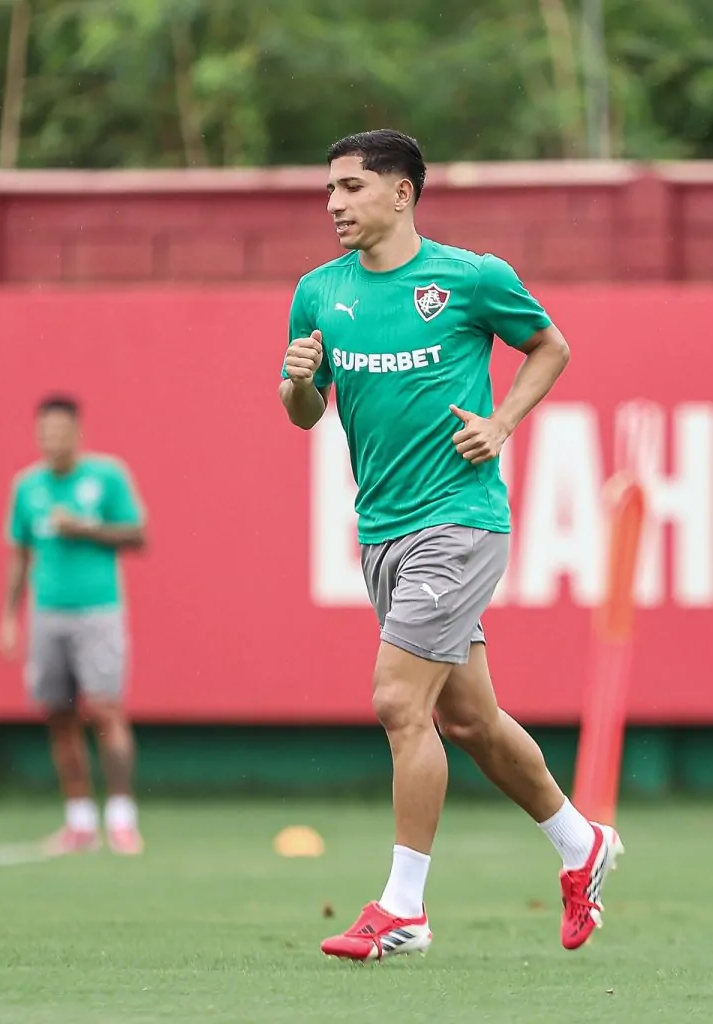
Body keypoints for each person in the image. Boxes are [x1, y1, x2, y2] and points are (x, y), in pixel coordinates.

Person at [278, 129, 622, 961]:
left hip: (459, 523)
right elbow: (305, 413)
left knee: (400, 701)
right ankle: (582, 845)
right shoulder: (319, 293)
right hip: (382, 531)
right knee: (468, 720)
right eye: (330, 191)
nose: (335, 205)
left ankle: (404, 908)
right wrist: (295, 381)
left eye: (352, 188)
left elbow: (551, 346)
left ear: (402, 194)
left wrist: (502, 423)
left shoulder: (471, 279)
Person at [0, 395, 148, 856]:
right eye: (45, 434)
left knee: (105, 710)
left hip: (98, 611)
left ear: (77, 435)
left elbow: (137, 535)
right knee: (58, 716)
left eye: (61, 433)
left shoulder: (106, 477)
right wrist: (9, 615)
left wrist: (84, 527)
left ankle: (121, 817)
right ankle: (79, 820)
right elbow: (20, 555)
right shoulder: (27, 487)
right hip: (48, 613)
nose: (53, 441)